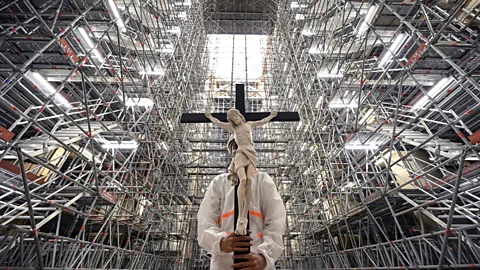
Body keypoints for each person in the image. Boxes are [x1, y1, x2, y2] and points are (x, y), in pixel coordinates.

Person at [204, 109, 278, 236]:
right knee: (242, 180)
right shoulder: (232, 128)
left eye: (235, 116)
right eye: (232, 117)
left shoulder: (249, 124)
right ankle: (240, 216)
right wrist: (210, 116)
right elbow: (218, 122)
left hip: (251, 153)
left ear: (239, 115)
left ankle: (244, 215)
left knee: (249, 180)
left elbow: (262, 121)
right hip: (240, 154)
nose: (235, 119)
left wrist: (271, 116)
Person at [197, 170, 287, 269]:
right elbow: (205, 223)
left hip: (257, 265)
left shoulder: (262, 180)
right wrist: (220, 242)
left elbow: (276, 223)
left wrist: (264, 257)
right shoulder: (219, 182)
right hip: (224, 264)